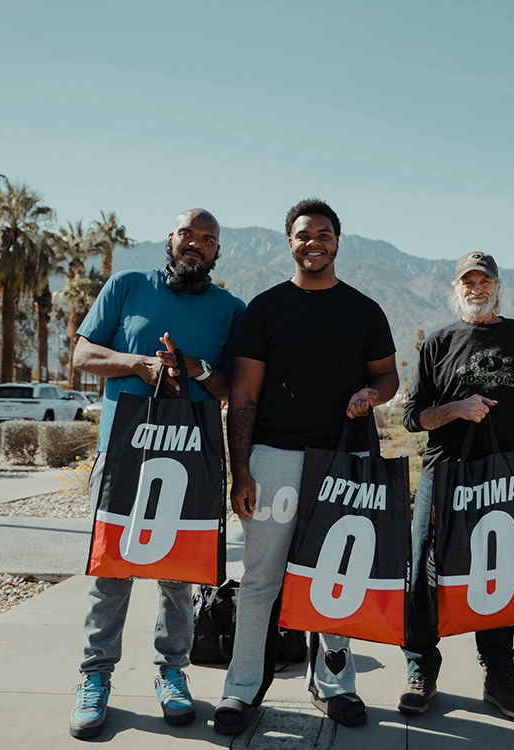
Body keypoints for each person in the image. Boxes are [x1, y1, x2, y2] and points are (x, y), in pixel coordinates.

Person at [214, 198, 399, 734]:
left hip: (345, 459)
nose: (313, 242)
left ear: (338, 241)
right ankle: (241, 688)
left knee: (336, 576)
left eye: (323, 234)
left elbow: (388, 377)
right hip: (275, 458)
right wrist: (241, 471)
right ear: (289, 243)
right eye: (303, 235)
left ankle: (333, 683)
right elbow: (244, 396)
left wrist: (372, 394)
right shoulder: (266, 308)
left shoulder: (364, 309)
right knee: (261, 578)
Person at [68, 208, 246, 740]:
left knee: (178, 575)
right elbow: (82, 354)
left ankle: (172, 672)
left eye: (207, 239)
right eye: (187, 234)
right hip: (123, 453)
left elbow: (234, 388)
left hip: (191, 457)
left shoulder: (230, 310)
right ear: (170, 239)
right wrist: (138, 365)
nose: (196, 244)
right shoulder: (127, 285)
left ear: (217, 252)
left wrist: (197, 369)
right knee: (112, 571)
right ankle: (95, 676)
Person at [399, 252, 514, 720]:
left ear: (498, 287)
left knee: (497, 574)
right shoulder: (438, 342)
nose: (476, 288)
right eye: (468, 281)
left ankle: (498, 675)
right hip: (444, 473)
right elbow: (412, 416)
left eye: (485, 281)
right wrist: (456, 409)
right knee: (424, 572)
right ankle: (421, 670)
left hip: (502, 476)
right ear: (455, 288)